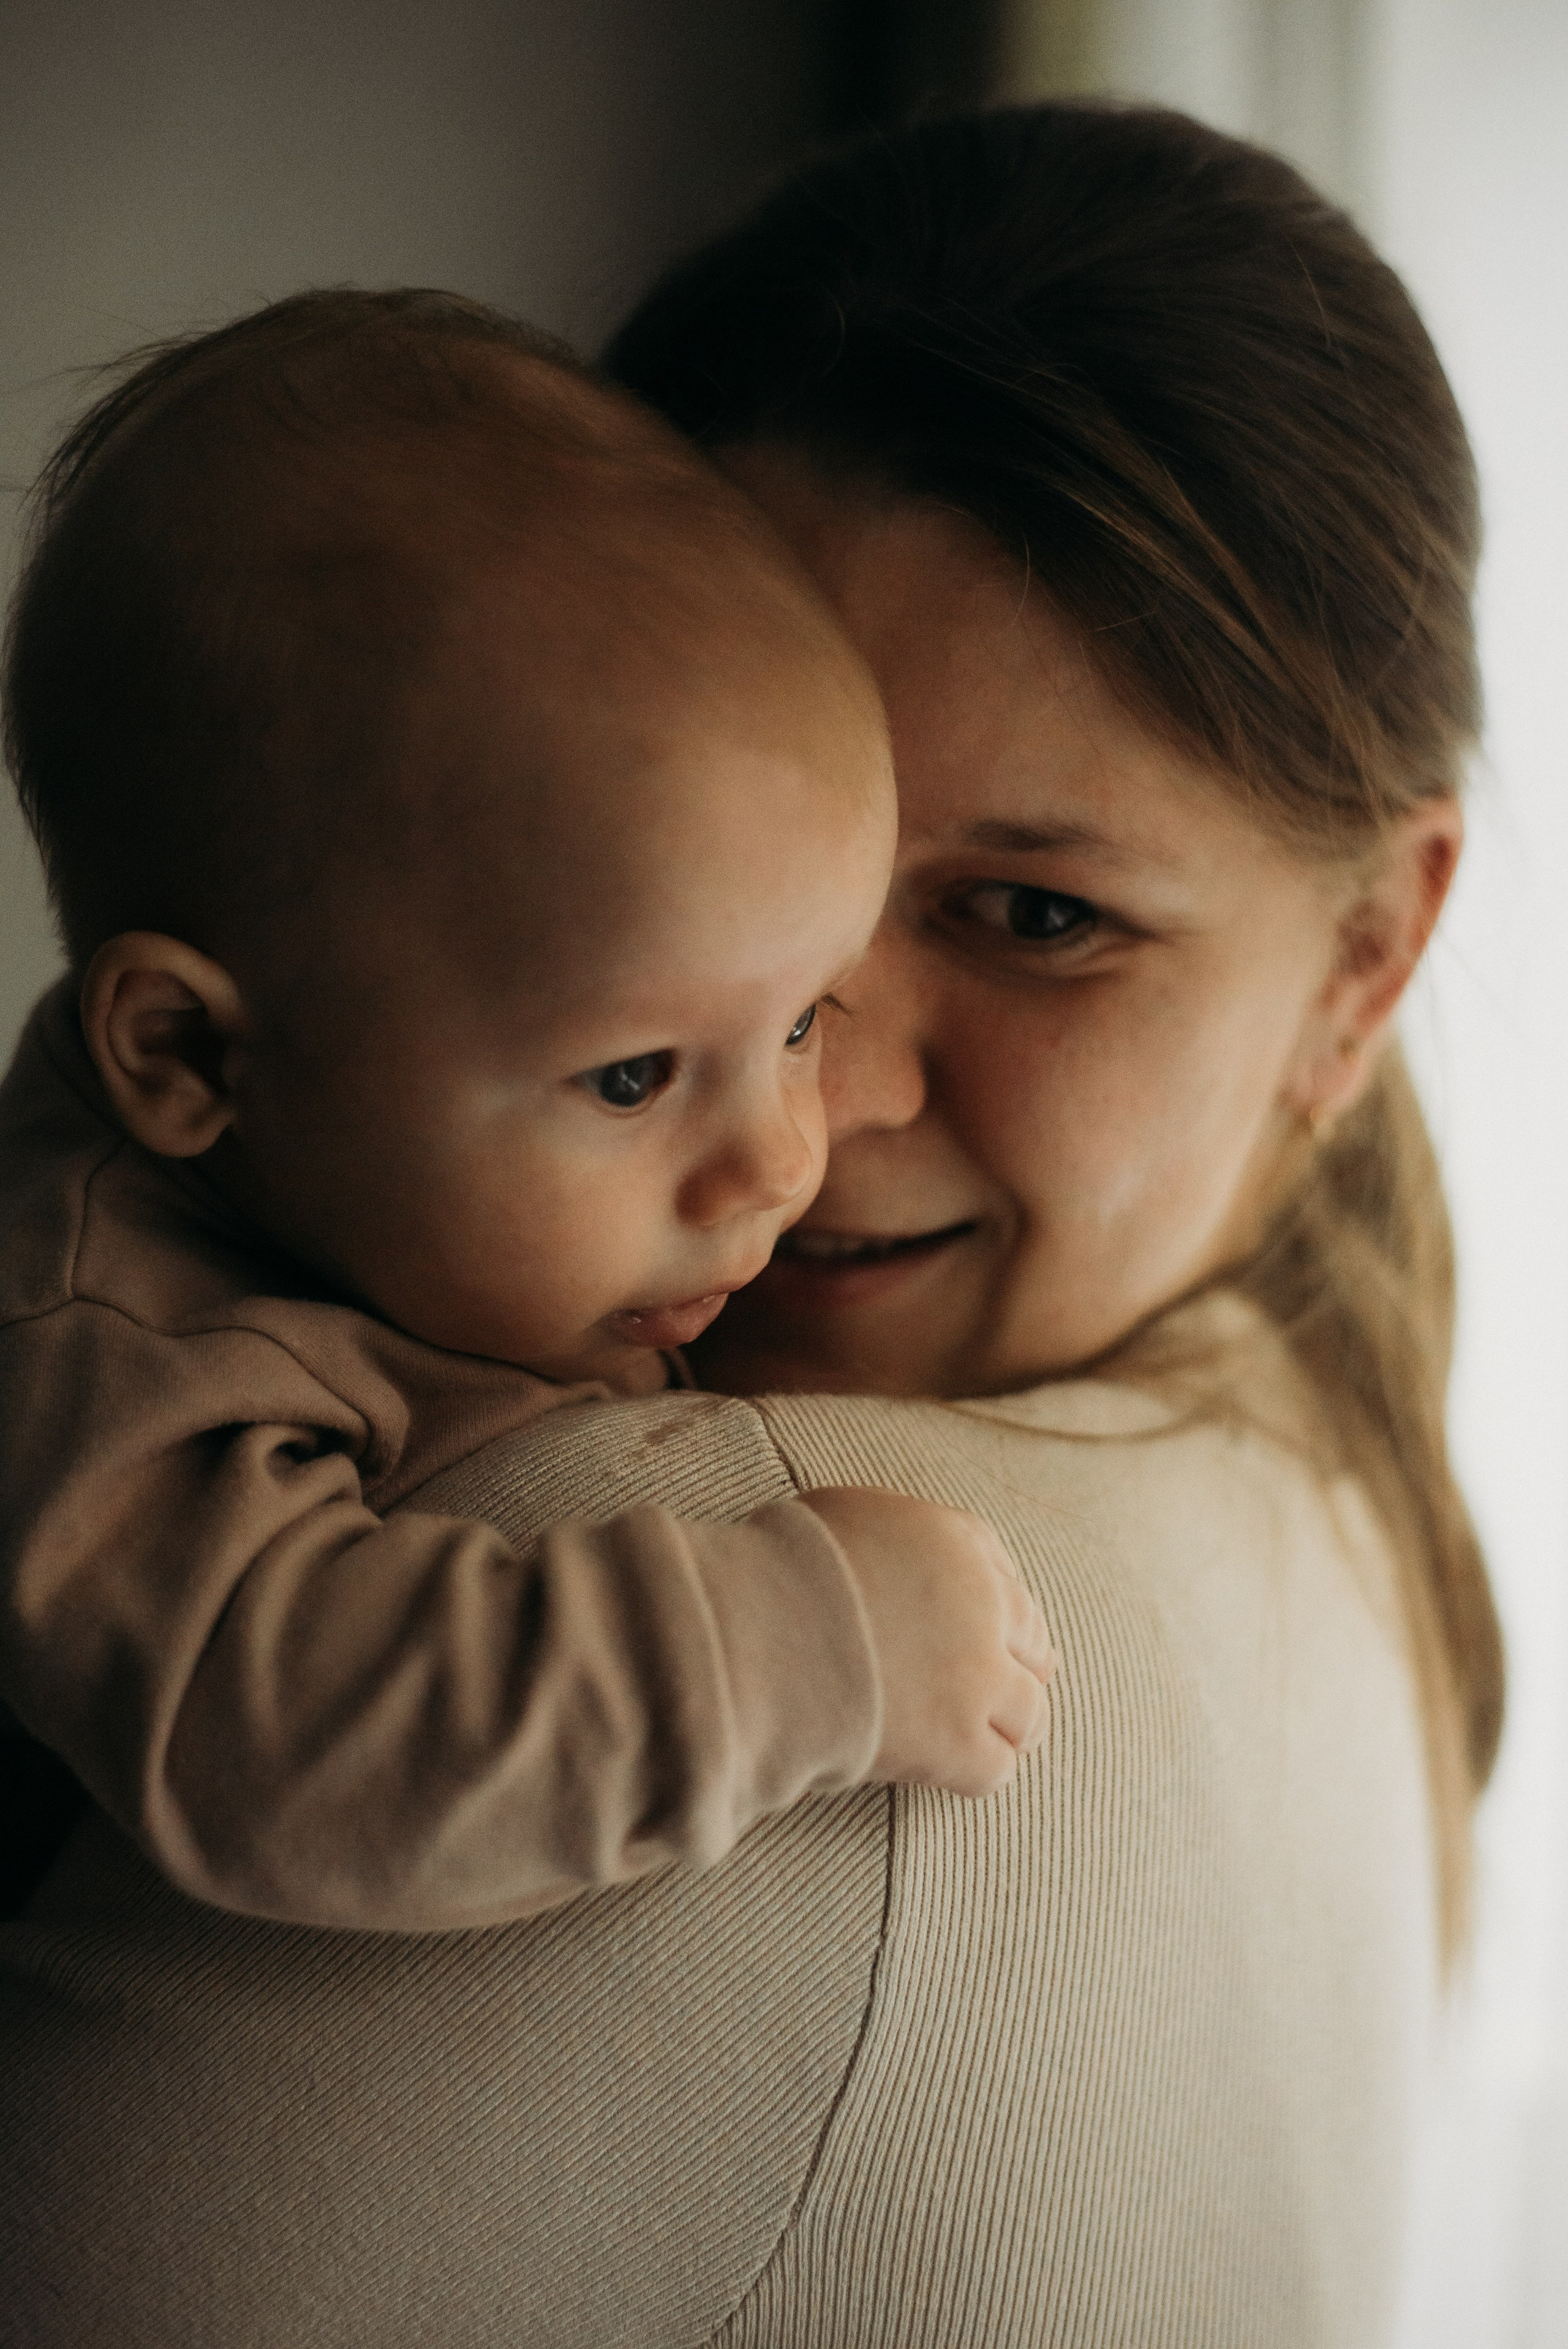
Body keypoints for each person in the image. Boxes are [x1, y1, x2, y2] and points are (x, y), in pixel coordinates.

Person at [0, 105, 1504, 2349]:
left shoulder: (660, 1569)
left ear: (1371, 957)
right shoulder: (1335, 1494)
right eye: (682, 938)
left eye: (1032, 915)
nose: (809, 1115)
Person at [0, 288, 1054, 1932]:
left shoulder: (419, 1193)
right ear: (195, 1061)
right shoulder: (95, 1352)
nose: (787, 1153)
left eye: (799, 1019)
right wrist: (807, 1636)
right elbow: (294, 1749)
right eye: (633, 1075)